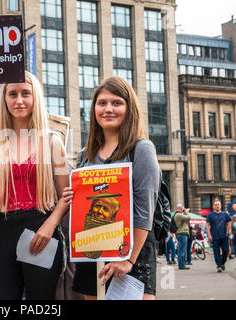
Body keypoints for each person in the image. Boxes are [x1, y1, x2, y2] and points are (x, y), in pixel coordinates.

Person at [62, 76, 161, 300]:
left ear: (129, 108)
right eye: (102, 103)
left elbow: (146, 210)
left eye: (117, 103)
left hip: (131, 253)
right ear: (94, 109)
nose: (108, 109)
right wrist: (72, 196)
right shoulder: (84, 155)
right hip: (91, 252)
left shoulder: (141, 149)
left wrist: (128, 259)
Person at [0, 71, 70, 300]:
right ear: (5, 99)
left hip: (40, 228)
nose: (19, 100)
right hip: (1, 230)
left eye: (25, 93)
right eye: (13, 94)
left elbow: (66, 195)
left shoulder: (52, 141)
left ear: (35, 97)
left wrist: (50, 225)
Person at [206, 199, 232, 272]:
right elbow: (207, 225)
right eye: (216, 205)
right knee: (216, 252)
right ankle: (219, 266)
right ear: (213, 206)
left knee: (226, 251)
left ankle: (222, 263)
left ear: (220, 205)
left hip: (224, 236)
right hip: (214, 236)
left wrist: (228, 230)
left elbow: (229, 221)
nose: (217, 206)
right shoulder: (210, 215)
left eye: (218, 204)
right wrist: (209, 234)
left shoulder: (225, 214)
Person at [174, 205, 191, 270]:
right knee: (182, 250)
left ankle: (182, 264)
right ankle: (182, 265)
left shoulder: (179, 215)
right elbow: (188, 217)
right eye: (183, 209)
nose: (183, 210)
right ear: (180, 209)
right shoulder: (178, 214)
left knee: (181, 250)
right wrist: (186, 212)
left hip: (181, 234)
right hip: (182, 234)